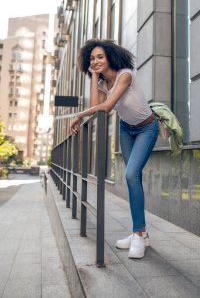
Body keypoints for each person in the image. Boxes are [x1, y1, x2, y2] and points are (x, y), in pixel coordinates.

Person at [70, 39, 159, 259]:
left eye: (100, 57)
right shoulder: (103, 83)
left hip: (147, 128)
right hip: (126, 130)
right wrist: (93, 77)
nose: (96, 61)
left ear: (110, 56)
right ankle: (141, 232)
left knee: (130, 174)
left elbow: (106, 107)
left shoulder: (125, 75)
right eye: (92, 58)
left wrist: (80, 116)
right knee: (132, 179)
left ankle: (138, 233)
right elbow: (96, 105)